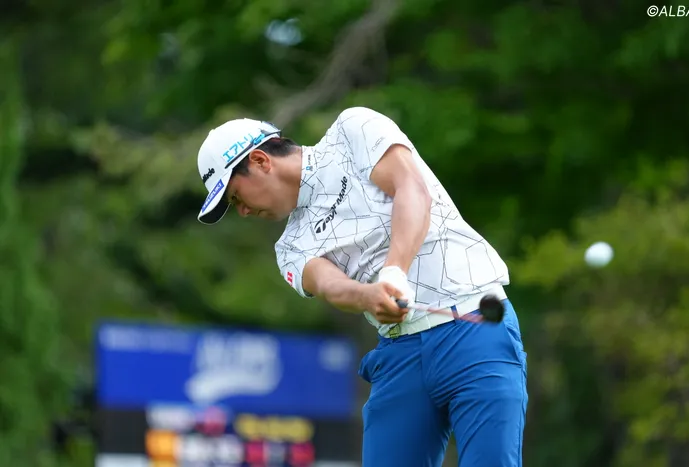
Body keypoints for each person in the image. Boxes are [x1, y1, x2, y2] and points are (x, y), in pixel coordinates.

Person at [195, 107, 528, 466]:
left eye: (236, 196)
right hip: (401, 355)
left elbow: (412, 189)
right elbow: (330, 285)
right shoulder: (289, 248)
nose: (242, 211)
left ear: (260, 161)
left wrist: (394, 272)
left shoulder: (352, 130)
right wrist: (367, 296)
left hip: (473, 325)